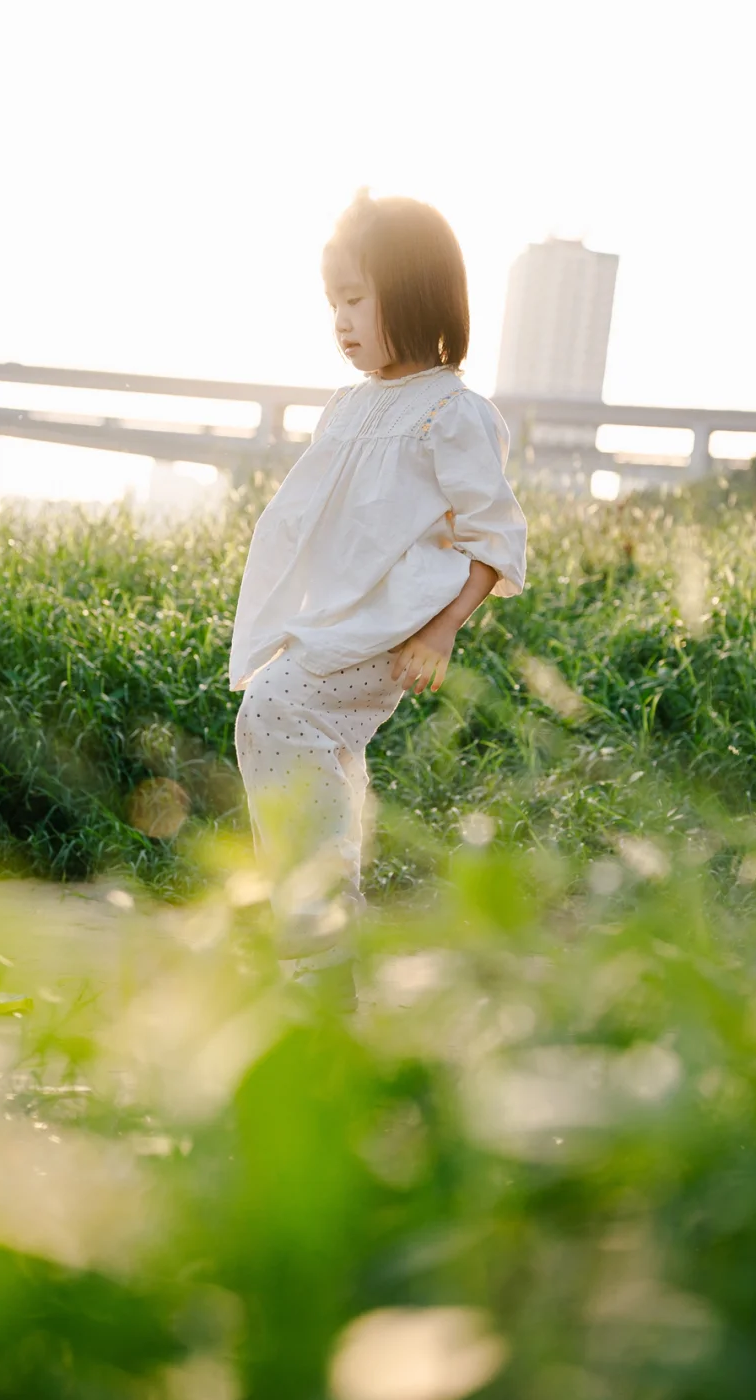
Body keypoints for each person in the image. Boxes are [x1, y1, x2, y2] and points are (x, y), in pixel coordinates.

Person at [228, 188, 527, 1006]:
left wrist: (444, 632)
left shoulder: (451, 412)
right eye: (333, 302)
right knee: (316, 750)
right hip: (335, 620)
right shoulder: (349, 407)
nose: (341, 318)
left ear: (415, 290)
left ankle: (319, 935)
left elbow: (494, 537)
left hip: (390, 633)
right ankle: (315, 936)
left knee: (274, 712)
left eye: (356, 297)